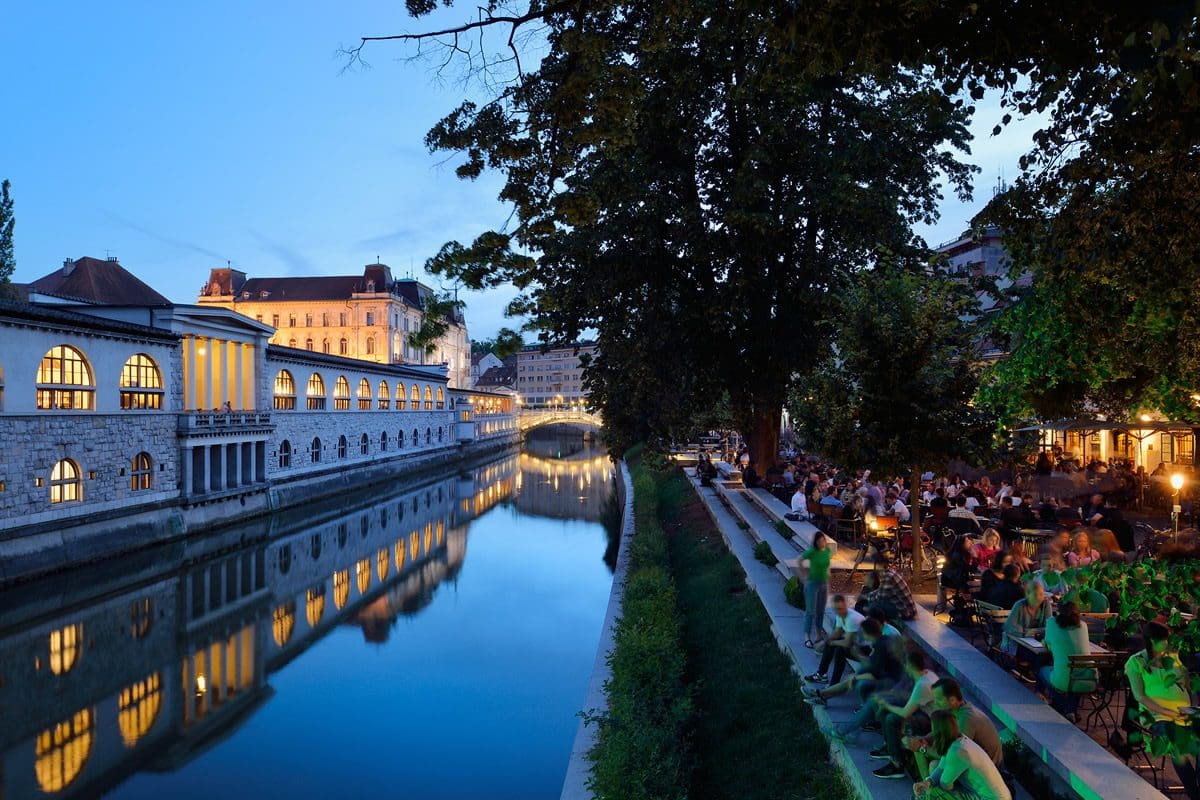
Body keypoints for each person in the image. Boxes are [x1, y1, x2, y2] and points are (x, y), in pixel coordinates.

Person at [1126, 621, 1199, 800]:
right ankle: (1195, 793)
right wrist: (1168, 713)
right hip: (1156, 716)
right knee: (1176, 745)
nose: (1167, 643)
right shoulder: (1136, 662)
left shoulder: (1173, 658)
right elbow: (1140, 696)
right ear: (1152, 640)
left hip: (1184, 712)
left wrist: (1193, 705)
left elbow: (1189, 687)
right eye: (1163, 640)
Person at [906, 678, 1004, 780]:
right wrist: (923, 739)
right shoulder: (957, 709)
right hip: (970, 760)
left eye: (939, 699)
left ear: (952, 700)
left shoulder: (966, 720)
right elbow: (941, 732)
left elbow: (954, 755)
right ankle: (925, 790)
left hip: (988, 773)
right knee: (918, 745)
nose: (936, 703)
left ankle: (929, 792)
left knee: (934, 764)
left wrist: (923, 748)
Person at [867, 650, 940, 779]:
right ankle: (890, 747)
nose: (905, 667)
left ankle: (896, 764)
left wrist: (886, 705)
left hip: (930, 720)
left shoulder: (923, 684)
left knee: (891, 718)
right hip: (923, 711)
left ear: (910, 666)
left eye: (906, 664)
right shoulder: (928, 674)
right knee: (888, 707)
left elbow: (905, 713)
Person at [802, 618, 902, 706]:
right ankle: (822, 693)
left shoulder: (884, 642)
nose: (862, 635)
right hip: (882, 670)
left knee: (856, 679)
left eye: (862, 632)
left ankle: (821, 694)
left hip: (889, 679)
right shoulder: (880, 640)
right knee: (848, 664)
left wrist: (856, 674)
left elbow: (876, 672)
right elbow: (873, 663)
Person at [913, 710, 1012, 800]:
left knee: (931, 794)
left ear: (939, 731)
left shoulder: (958, 752)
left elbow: (945, 785)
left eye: (933, 728)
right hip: (987, 794)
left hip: (990, 798)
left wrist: (927, 791)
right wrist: (927, 783)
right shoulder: (957, 740)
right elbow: (940, 767)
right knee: (932, 781)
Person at [1039, 601, 1096, 714]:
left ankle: (1061, 705)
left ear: (1058, 611)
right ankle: (1070, 711)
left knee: (1042, 671)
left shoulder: (1052, 623)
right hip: (1089, 680)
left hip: (1065, 681)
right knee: (1073, 674)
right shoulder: (1083, 626)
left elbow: (1049, 646)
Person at [805, 594, 865, 684]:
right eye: (836, 609)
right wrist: (824, 642)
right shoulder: (841, 614)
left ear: (846, 605)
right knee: (831, 643)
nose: (838, 612)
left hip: (865, 649)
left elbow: (847, 643)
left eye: (840, 608)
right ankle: (821, 675)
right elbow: (837, 632)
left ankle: (834, 684)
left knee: (840, 650)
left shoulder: (852, 618)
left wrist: (831, 643)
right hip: (855, 644)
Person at [1001, 580, 1050, 656]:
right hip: (1016, 644)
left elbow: (1049, 627)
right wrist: (1033, 632)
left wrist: (1031, 632)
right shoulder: (1019, 605)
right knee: (1036, 656)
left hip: (1038, 644)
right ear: (1027, 594)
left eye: (1041, 594)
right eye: (1035, 595)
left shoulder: (1046, 605)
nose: (1039, 598)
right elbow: (1009, 627)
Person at [801, 533, 832, 648]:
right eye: (819, 541)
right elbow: (800, 561)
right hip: (812, 583)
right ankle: (807, 637)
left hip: (824, 584)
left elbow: (827, 563)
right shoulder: (812, 551)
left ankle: (818, 635)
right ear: (815, 542)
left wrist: (828, 572)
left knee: (820, 611)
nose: (821, 542)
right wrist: (805, 574)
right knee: (810, 611)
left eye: (823, 540)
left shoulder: (827, 551)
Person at [863, 557, 917, 622]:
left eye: (877, 565)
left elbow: (880, 598)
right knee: (872, 604)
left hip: (905, 612)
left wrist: (867, 598)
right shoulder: (890, 572)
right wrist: (869, 595)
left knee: (873, 607)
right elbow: (881, 591)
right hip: (907, 609)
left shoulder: (887, 577)